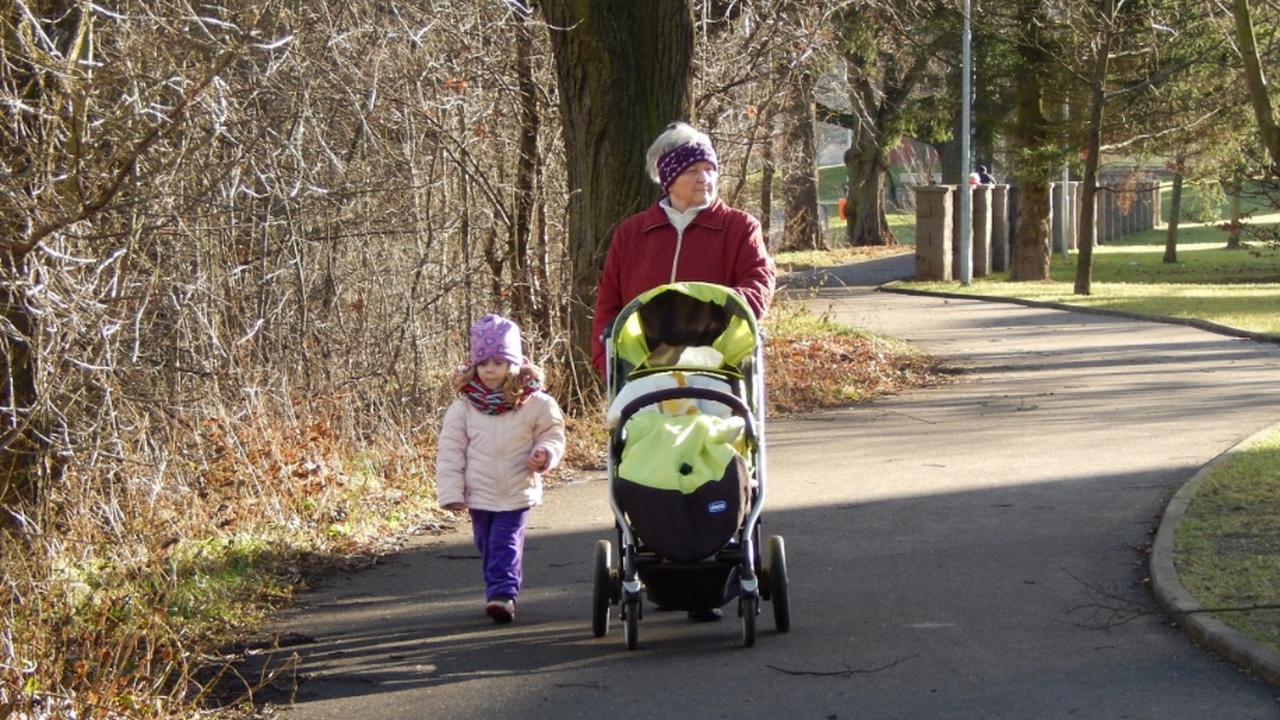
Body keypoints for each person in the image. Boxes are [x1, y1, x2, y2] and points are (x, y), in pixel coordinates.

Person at [591, 121, 776, 374]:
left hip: (719, 366)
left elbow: (759, 283)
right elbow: (608, 303)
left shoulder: (740, 228)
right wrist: (607, 361)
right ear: (669, 179)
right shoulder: (631, 234)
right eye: (692, 170)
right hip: (642, 370)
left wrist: (713, 313)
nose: (704, 179)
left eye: (710, 169)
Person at [435, 313, 566, 624]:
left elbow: (553, 434)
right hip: (478, 491)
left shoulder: (536, 402)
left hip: (516, 488)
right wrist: (451, 492)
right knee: (485, 543)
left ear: (514, 363)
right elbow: (451, 450)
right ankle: (499, 587)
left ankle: (502, 595)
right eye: (483, 364)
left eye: (497, 363)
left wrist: (544, 453)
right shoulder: (465, 406)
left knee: (503, 542)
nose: (490, 370)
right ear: (474, 366)